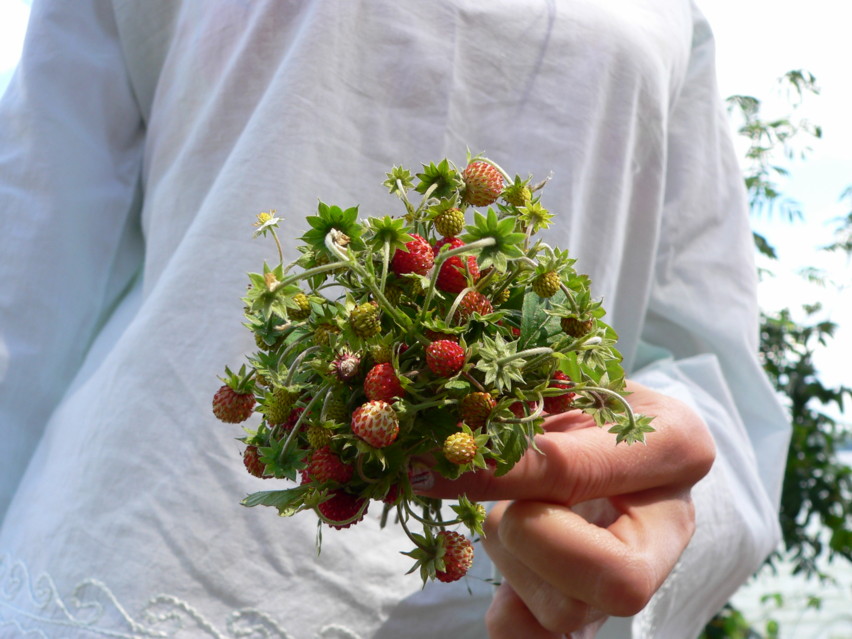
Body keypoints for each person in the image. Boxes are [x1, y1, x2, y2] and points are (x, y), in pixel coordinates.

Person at [0, 1, 790, 637]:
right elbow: (30, 259)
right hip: (135, 568)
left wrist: (651, 512)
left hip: (512, 604)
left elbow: (710, 373)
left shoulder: (676, 16)